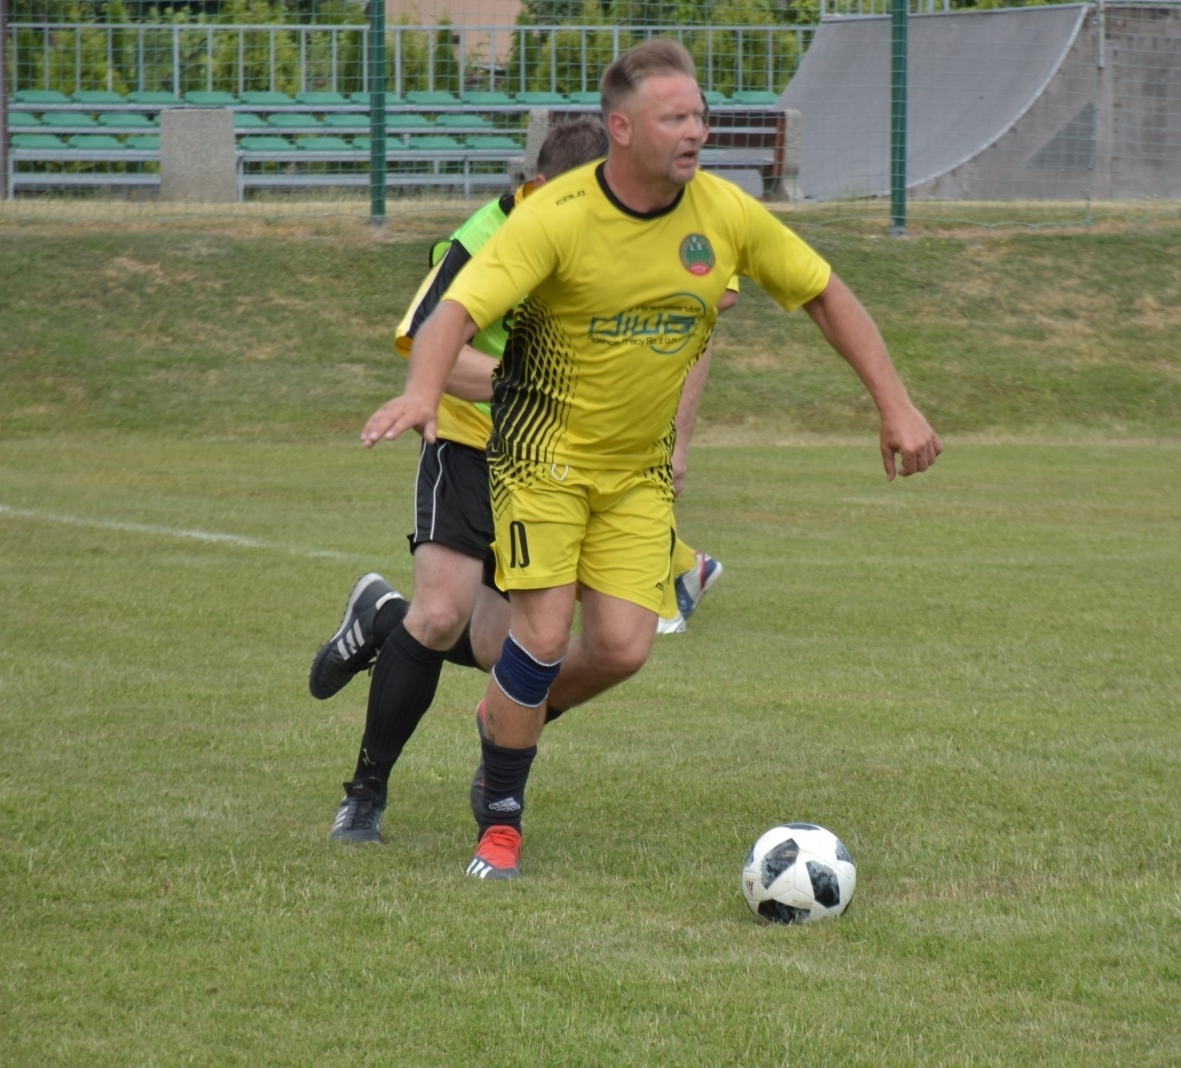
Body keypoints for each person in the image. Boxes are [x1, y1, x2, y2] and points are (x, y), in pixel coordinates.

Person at [362, 39, 942, 880]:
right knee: (545, 632)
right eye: (677, 117)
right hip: (539, 456)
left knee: (625, 648)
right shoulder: (555, 217)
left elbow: (822, 290)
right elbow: (456, 310)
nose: (698, 131)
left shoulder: (724, 215)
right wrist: (423, 391)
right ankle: (502, 822)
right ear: (621, 128)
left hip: (633, 473)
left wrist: (895, 403)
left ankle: (502, 723)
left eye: (702, 115)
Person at [314, 119, 727, 844]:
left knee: (500, 649)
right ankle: (366, 794)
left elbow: (697, 327)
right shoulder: (481, 240)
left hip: (554, 462)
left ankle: (383, 620)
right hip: (469, 440)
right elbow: (432, 351)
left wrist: (675, 438)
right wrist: (535, 384)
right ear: (539, 191)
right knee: (442, 613)